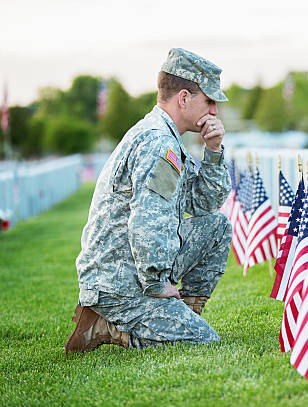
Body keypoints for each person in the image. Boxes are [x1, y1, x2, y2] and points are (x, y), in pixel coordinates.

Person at [65, 48, 233, 353]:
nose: (215, 111)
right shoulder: (158, 142)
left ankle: (179, 319)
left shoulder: (164, 136)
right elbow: (147, 219)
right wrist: (156, 283)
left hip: (132, 267)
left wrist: (213, 151)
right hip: (120, 282)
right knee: (205, 340)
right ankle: (107, 326)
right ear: (184, 98)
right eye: (209, 101)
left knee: (218, 227)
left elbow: (203, 204)